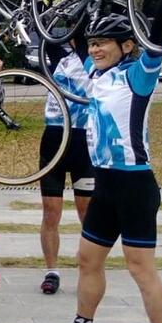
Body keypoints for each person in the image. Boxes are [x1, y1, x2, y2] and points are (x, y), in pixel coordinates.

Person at [39, 0, 162, 323]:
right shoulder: (97, 74)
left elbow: (157, 38)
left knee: (140, 267)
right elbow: (78, 30)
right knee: (88, 258)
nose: (95, 48)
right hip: (104, 184)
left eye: (104, 43)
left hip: (135, 185)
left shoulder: (139, 76)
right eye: (92, 44)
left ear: (127, 47)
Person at [37, 32, 93, 295]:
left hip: (83, 143)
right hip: (54, 140)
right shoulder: (61, 57)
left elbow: (82, 37)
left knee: (87, 213)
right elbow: (46, 33)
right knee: (51, 212)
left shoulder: (92, 59)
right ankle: (52, 271)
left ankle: (90, 269)